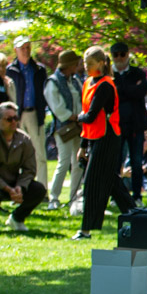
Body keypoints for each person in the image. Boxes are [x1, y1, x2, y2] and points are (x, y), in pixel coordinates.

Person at [73, 47, 135, 240]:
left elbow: (90, 116)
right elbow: (88, 116)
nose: (87, 67)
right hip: (94, 137)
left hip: (108, 137)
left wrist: (79, 117)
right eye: (85, 64)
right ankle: (135, 212)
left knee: (92, 182)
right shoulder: (87, 84)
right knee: (110, 181)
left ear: (101, 64)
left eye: (90, 64)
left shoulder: (106, 85)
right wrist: (83, 145)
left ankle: (86, 229)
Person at [0, 101, 47, 234]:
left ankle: (17, 218)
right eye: (9, 119)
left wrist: (20, 187)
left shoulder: (24, 139)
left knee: (39, 190)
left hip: (13, 181)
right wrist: (7, 189)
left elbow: (29, 170)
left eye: (15, 118)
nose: (13, 122)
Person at [44, 49, 84, 212]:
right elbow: (58, 108)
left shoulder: (75, 81)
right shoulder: (53, 82)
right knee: (64, 161)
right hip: (64, 128)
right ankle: (54, 198)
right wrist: (74, 116)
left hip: (78, 126)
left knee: (78, 163)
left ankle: (74, 196)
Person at [6, 36, 49, 186]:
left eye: (27, 47)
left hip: (35, 114)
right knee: (16, 155)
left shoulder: (39, 69)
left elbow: (45, 93)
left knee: (39, 154)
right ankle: (18, 190)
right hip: (16, 117)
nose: (25, 51)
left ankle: (42, 189)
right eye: (22, 48)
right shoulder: (10, 71)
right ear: (15, 50)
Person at [111, 41, 147, 204]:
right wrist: (130, 90)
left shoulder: (137, 73)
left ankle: (137, 196)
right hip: (117, 125)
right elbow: (113, 95)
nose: (120, 58)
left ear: (128, 55)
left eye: (123, 54)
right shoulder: (109, 75)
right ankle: (116, 195)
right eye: (116, 55)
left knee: (136, 161)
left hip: (136, 124)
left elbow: (142, 91)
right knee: (115, 162)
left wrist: (121, 89)